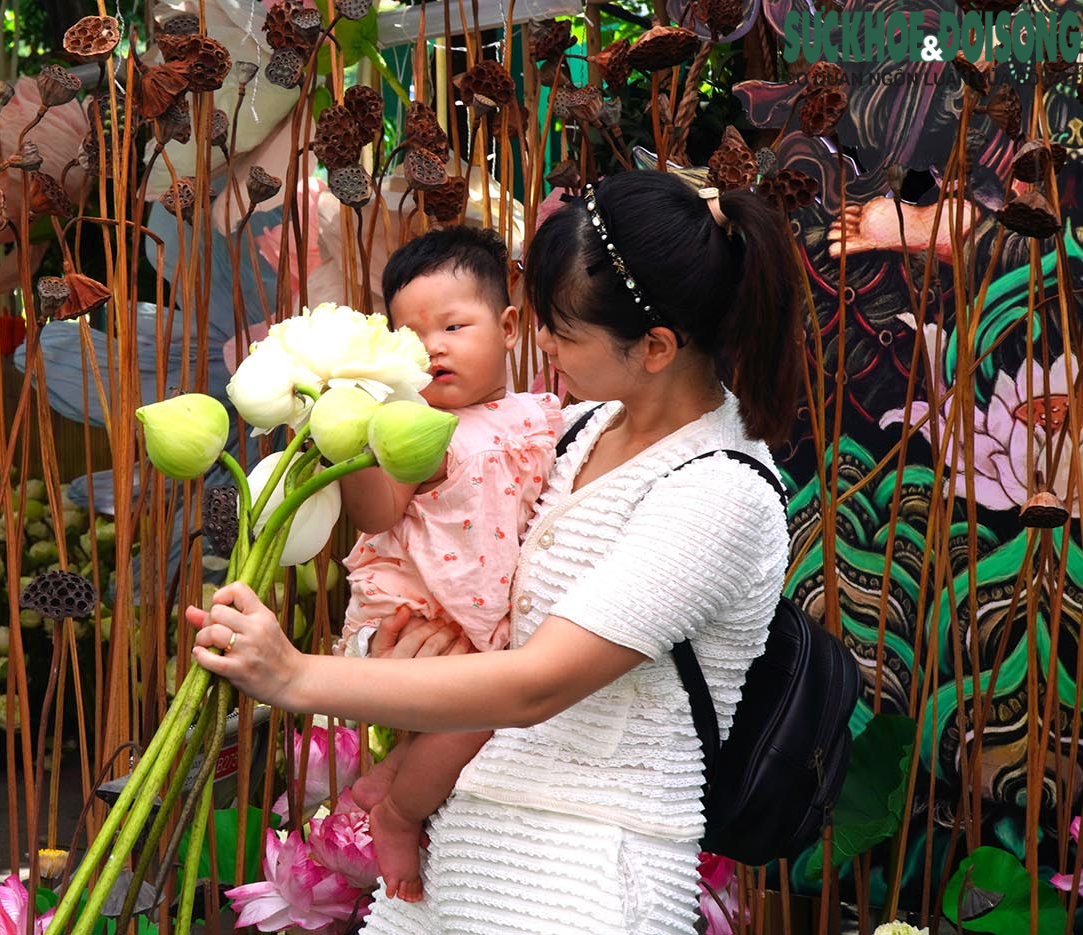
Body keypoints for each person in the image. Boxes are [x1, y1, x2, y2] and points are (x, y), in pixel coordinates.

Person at [187, 169, 804, 934]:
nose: (541, 342)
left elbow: (535, 684)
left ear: (654, 346)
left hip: (582, 883)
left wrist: (297, 675)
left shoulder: (720, 493)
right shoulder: (579, 433)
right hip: (467, 851)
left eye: (562, 330)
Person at [332, 226, 562, 901]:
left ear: (510, 325)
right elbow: (377, 513)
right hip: (412, 610)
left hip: (476, 616)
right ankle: (399, 813)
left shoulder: (543, 415)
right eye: (411, 336)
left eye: (454, 325)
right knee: (479, 707)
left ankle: (386, 781)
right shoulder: (414, 431)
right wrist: (347, 445)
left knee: (484, 705)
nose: (433, 347)